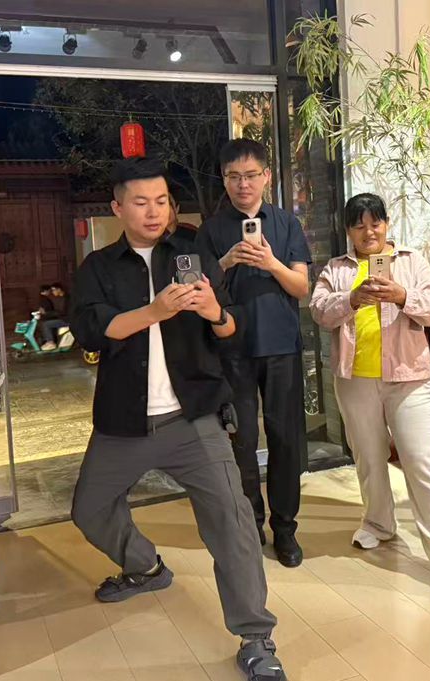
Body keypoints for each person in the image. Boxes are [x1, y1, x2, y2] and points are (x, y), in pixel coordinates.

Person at [70, 158, 287, 681]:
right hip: (125, 422)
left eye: (162, 201)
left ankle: (256, 636)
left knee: (232, 521)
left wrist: (214, 311)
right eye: (140, 202)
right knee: (89, 509)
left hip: (194, 420)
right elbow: (92, 332)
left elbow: (230, 329)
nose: (153, 211)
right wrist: (154, 312)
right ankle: (145, 566)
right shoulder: (98, 267)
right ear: (118, 207)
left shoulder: (192, 257)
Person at [310, 193, 430, 603]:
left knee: (422, 462)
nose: (369, 232)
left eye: (375, 223)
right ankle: (379, 523)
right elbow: (319, 311)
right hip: (355, 379)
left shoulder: (411, 262)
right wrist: (351, 298)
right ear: (348, 231)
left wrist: (401, 295)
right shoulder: (337, 268)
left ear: (386, 224)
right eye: (359, 225)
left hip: (408, 379)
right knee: (368, 456)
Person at [196, 139, 311, 567]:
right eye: (233, 177)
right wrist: (225, 262)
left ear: (266, 176)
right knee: (241, 443)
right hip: (232, 350)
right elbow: (199, 289)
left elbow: (302, 287)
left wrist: (271, 263)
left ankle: (286, 529)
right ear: (224, 179)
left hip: (281, 346)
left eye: (250, 175)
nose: (242, 184)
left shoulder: (286, 224)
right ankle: (251, 526)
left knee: (285, 440)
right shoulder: (210, 231)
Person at [38, 283, 73, 351]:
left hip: (68, 320)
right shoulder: (62, 298)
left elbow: (64, 312)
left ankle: (51, 343)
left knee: (46, 324)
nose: (52, 292)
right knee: (46, 322)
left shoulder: (67, 298)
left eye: (54, 290)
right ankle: (50, 341)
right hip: (64, 318)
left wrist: (47, 313)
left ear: (59, 289)